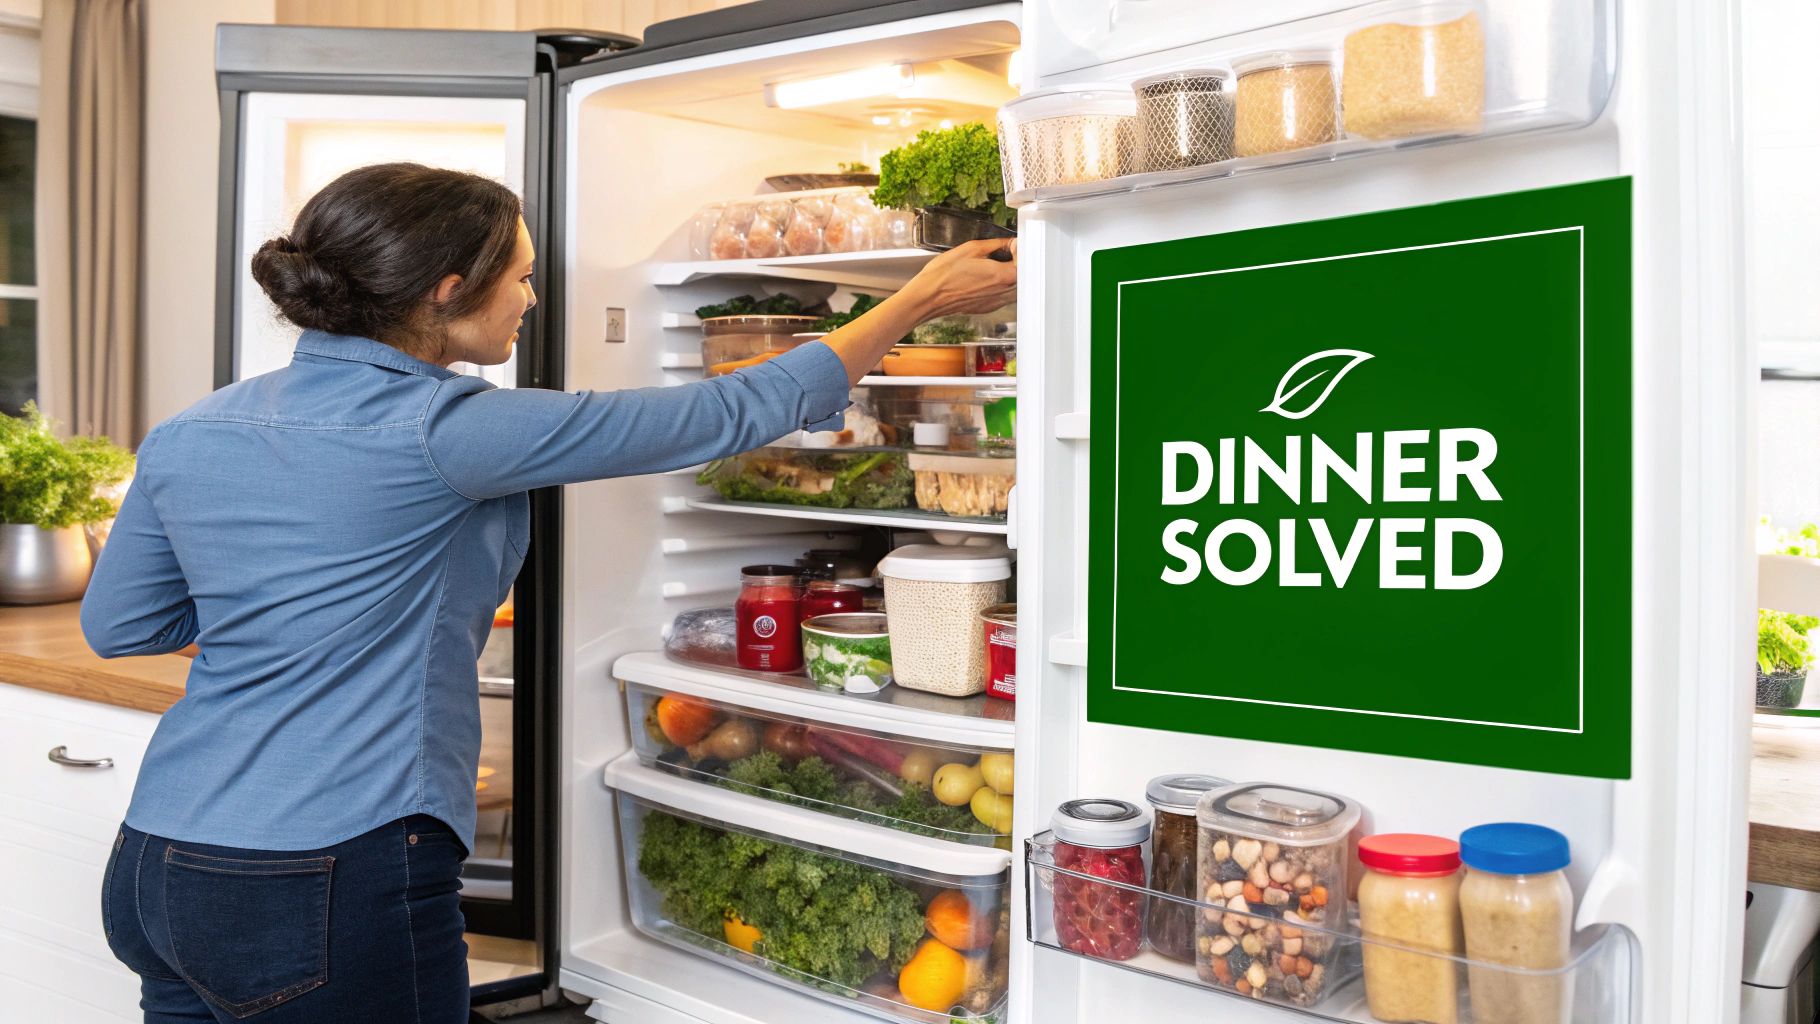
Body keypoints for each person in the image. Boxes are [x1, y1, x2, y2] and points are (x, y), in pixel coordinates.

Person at [80, 161, 1017, 1024]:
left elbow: (124, 624)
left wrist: (286, 616)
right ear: (447, 292)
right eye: (520, 275)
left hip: (158, 865)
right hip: (328, 870)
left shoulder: (193, 428)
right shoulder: (447, 429)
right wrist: (924, 294)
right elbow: (724, 411)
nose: (533, 297)